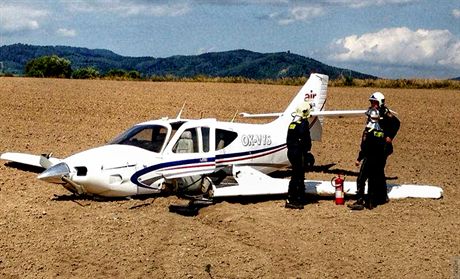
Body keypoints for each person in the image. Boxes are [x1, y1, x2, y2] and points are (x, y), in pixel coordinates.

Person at [349, 108, 387, 210]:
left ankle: (360, 200)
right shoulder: (381, 132)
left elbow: (365, 147)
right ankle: (370, 202)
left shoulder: (368, 131)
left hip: (369, 159)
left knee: (361, 179)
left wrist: (359, 159)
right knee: (372, 180)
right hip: (378, 159)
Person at [285, 102, 312, 209]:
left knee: (298, 175)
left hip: (292, 152)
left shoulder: (293, 123)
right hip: (298, 152)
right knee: (297, 176)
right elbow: (306, 139)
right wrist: (307, 152)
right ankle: (292, 199)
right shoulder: (303, 124)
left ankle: (298, 196)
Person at [368, 92, 400, 166]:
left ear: (380, 102)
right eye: (371, 102)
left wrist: (390, 136)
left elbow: (396, 123)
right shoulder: (374, 111)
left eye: (374, 102)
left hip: (384, 144)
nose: (372, 104)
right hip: (376, 141)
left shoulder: (384, 112)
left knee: (379, 164)